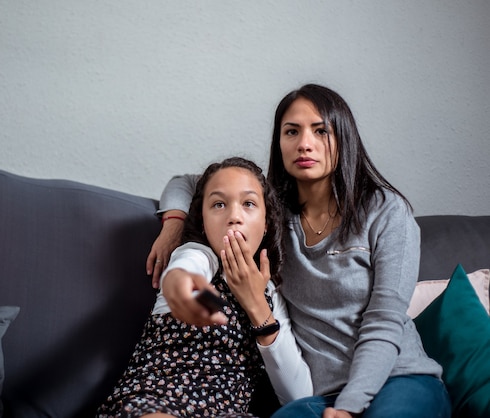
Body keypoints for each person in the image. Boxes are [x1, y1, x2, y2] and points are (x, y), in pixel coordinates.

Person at [146, 84, 452, 418]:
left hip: (399, 380)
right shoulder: (273, 213)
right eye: (291, 131)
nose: (305, 143)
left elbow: (384, 320)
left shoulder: (386, 211)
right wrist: (174, 223)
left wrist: (350, 406)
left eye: (321, 131)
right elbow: (188, 182)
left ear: (344, 139)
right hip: (320, 396)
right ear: (279, 143)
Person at [97, 157, 312, 418]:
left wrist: (258, 307)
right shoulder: (198, 255)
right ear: (203, 222)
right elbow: (183, 274)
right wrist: (181, 288)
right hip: (154, 401)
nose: (234, 216)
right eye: (219, 204)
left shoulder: (271, 294)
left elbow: (299, 396)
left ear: (266, 223)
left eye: (249, 204)